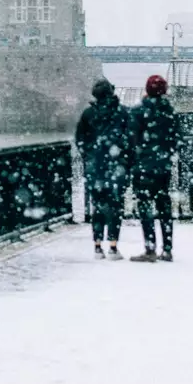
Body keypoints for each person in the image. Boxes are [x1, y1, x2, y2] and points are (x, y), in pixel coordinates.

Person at [75, 77, 131, 259]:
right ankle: (113, 247)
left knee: (98, 206)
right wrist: (124, 158)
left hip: (95, 167)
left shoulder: (88, 114)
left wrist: (89, 156)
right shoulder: (123, 113)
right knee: (115, 206)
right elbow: (130, 139)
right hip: (117, 167)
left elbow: (80, 139)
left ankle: (97, 246)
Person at [130, 73, 181, 262]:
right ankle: (167, 249)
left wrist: (136, 159)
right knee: (164, 207)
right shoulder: (169, 112)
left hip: (143, 167)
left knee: (145, 207)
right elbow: (177, 138)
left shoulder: (138, 112)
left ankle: (149, 248)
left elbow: (131, 139)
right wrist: (166, 155)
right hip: (163, 167)